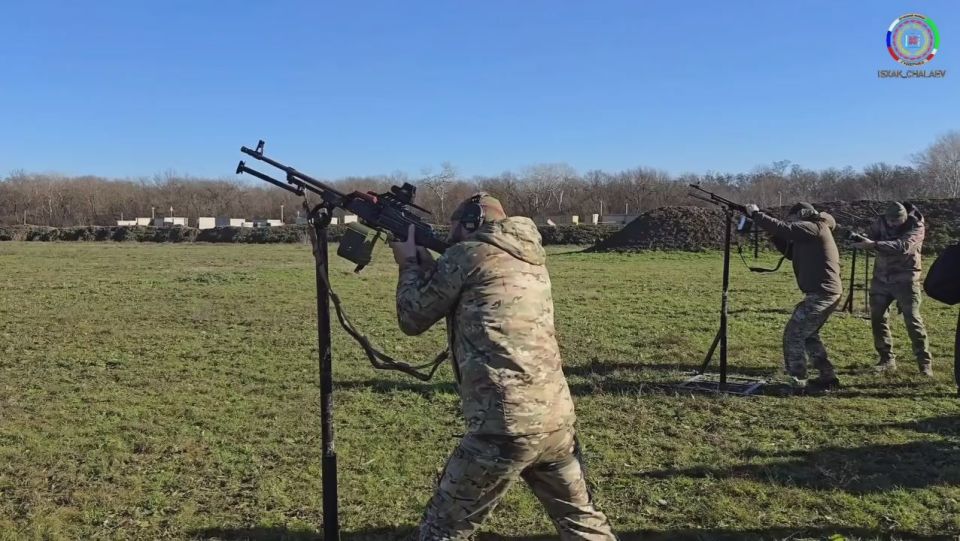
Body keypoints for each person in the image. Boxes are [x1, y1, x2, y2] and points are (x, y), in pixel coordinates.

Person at [390, 193, 617, 540]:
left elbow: (412, 316)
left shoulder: (466, 254)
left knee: (444, 527)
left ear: (472, 222)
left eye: (455, 226)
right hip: (554, 420)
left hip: (502, 427)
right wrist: (429, 266)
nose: (449, 235)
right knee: (580, 519)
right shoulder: (529, 256)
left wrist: (408, 263)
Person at [746, 202, 843, 391]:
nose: (793, 223)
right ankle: (827, 376)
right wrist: (773, 235)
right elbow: (791, 253)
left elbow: (786, 229)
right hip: (824, 292)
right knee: (808, 335)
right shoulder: (813, 231)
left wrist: (757, 215)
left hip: (822, 293)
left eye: (794, 219)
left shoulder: (814, 226)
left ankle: (798, 380)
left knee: (793, 335)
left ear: (802, 215)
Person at [851, 202, 934, 375]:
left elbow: (903, 246)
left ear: (904, 217)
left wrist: (873, 244)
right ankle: (886, 359)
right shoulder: (881, 222)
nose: (891, 224)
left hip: (906, 279)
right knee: (877, 319)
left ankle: (924, 363)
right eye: (889, 220)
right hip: (881, 278)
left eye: (896, 221)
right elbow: (871, 235)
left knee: (913, 321)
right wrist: (860, 238)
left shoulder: (916, 226)